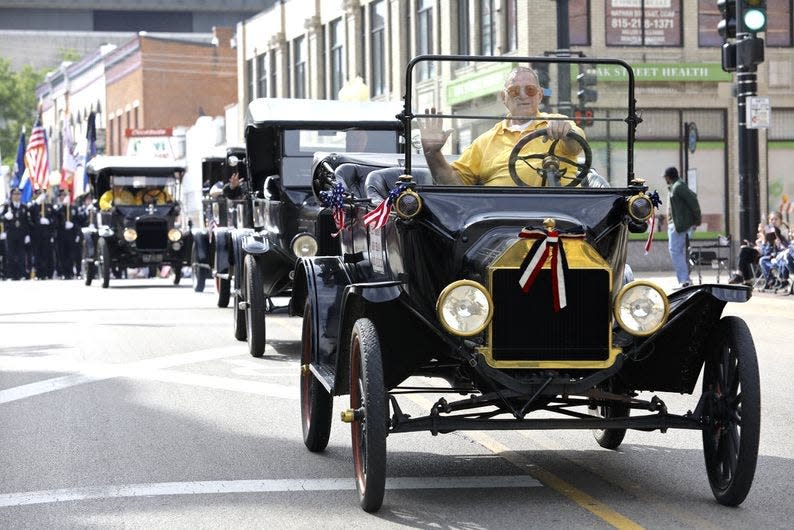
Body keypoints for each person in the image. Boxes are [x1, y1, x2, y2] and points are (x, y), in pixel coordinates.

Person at [419, 66, 585, 186]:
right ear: (503, 97)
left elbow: (576, 145)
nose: (522, 95)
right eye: (514, 91)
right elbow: (454, 185)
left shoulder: (558, 122)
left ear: (540, 95)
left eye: (530, 90)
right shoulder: (485, 141)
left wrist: (565, 132)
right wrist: (433, 154)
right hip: (502, 224)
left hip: (560, 220)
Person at [663, 166, 701, 289]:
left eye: (666, 177)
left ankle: (684, 281)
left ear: (669, 177)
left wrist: (697, 220)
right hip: (677, 225)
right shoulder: (676, 186)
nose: (665, 180)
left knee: (675, 251)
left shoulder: (678, 186)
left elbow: (693, 201)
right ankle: (685, 280)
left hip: (678, 225)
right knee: (678, 252)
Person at [1, 188, 32, 280]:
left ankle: (21, 274)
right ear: (11, 195)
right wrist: (5, 217)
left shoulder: (24, 207)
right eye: (15, 194)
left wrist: (27, 235)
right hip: (10, 234)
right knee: (10, 255)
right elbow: (1, 217)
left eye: (19, 194)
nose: (17, 196)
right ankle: (10, 275)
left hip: (21, 235)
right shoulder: (7, 207)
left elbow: (27, 222)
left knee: (21, 255)